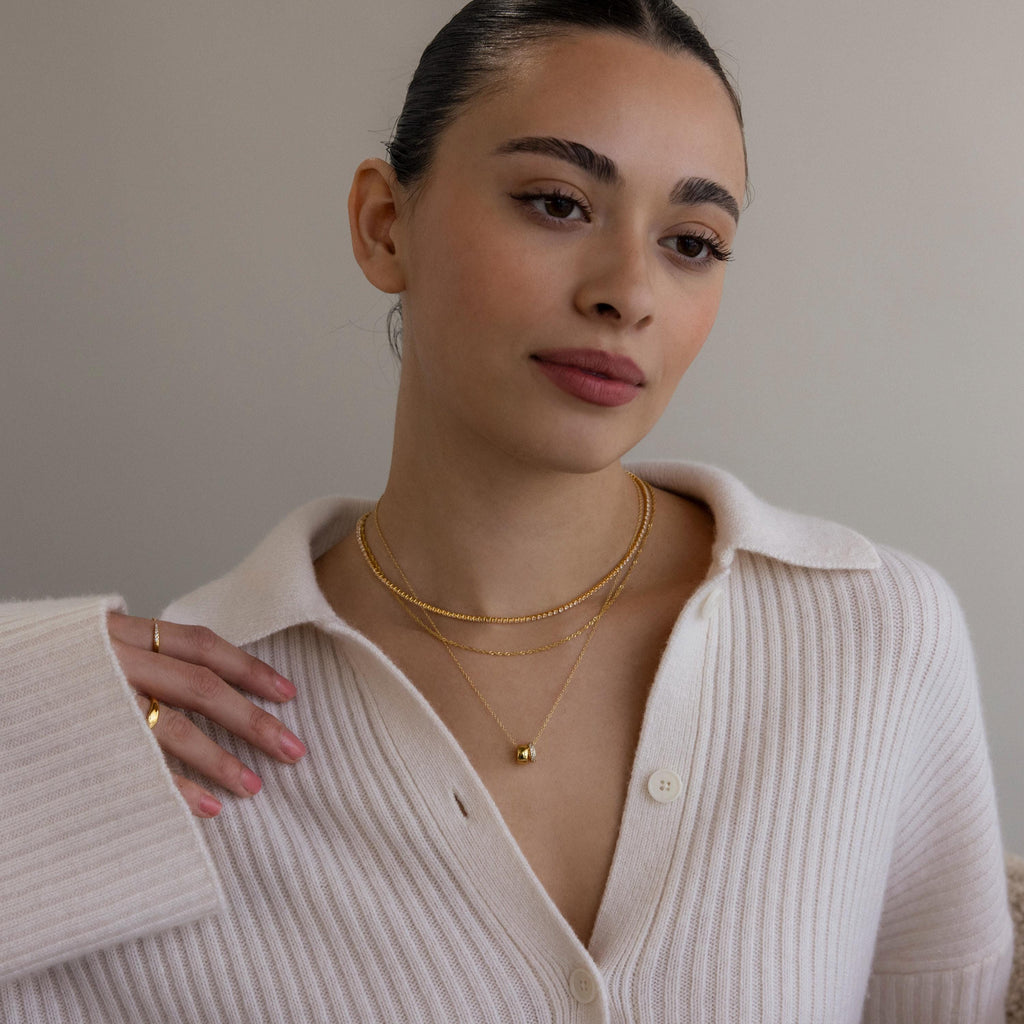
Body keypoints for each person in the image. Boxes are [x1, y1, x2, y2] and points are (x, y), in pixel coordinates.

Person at [0, 0, 1013, 1020]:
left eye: (692, 242)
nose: (628, 291)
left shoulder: (872, 639)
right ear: (383, 226)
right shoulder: (155, 734)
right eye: (558, 203)